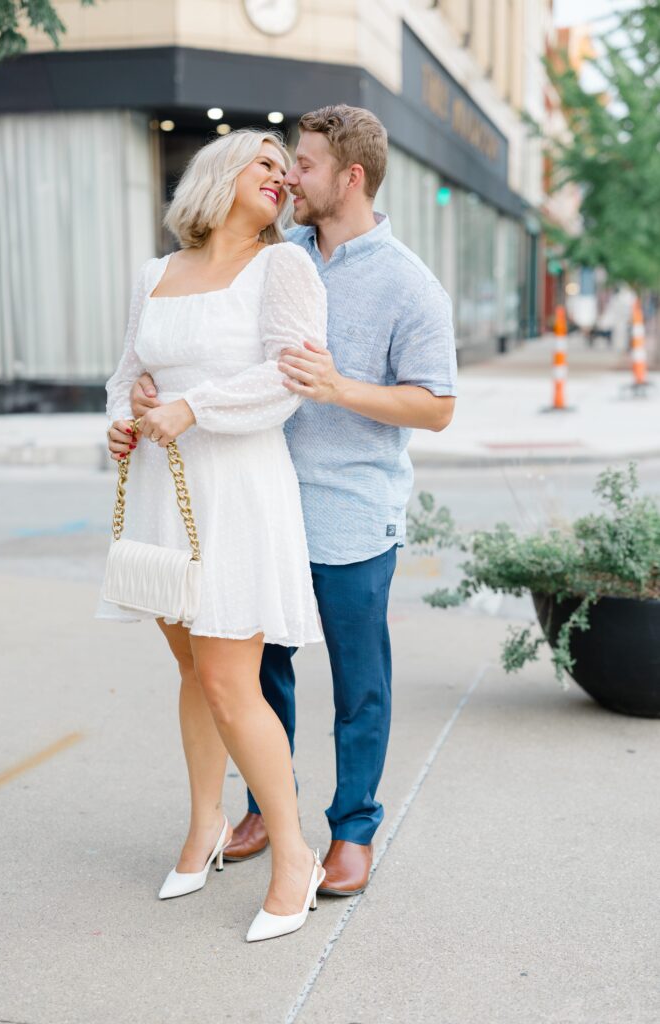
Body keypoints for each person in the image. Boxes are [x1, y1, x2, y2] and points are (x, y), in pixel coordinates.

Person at [129, 105, 458, 900]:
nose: (288, 178)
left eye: (302, 165)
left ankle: (351, 830)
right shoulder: (276, 253)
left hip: (347, 507)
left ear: (349, 176)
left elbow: (437, 406)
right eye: (280, 166)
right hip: (252, 504)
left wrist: (340, 387)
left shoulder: (408, 283)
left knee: (356, 683)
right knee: (253, 675)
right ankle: (264, 814)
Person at [98, 129, 329, 943]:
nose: (279, 177)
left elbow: (290, 374)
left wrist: (192, 407)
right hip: (166, 487)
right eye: (263, 162)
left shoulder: (283, 266)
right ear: (219, 174)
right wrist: (124, 422)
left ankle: (293, 853)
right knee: (193, 669)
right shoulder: (154, 274)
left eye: (285, 169)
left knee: (233, 681)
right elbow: (127, 375)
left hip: (238, 487)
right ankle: (204, 829)